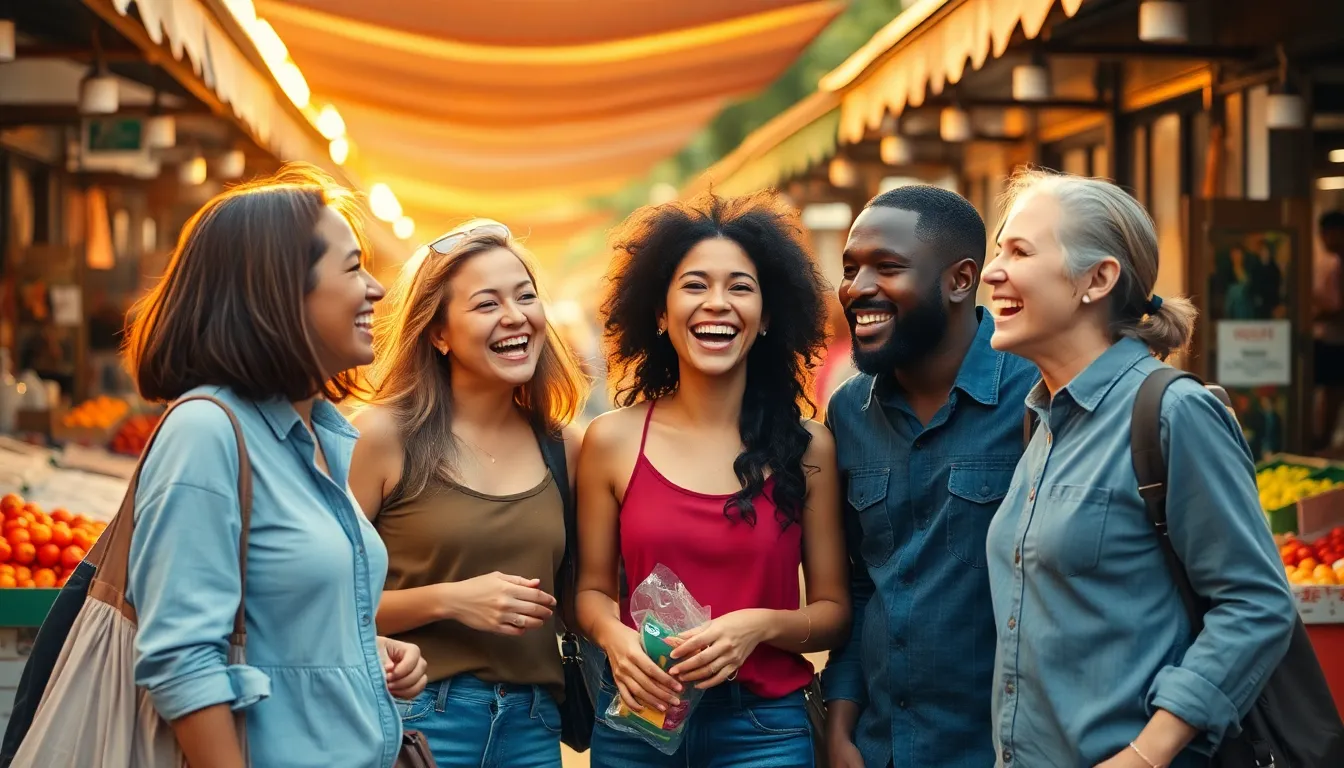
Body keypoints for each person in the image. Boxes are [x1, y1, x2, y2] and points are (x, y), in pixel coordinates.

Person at [981, 169, 1294, 767]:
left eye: (1019, 251)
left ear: (1097, 279)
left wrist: (1147, 754)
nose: (994, 271)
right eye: (998, 250)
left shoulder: (1174, 413)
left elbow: (1257, 605)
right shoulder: (1043, 421)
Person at [122, 163, 427, 768]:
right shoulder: (206, 433)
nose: (377, 289)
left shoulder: (317, 435)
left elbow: (275, 627)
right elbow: (182, 661)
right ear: (281, 292)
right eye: (351, 267)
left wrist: (363, 655)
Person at [576, 191, 850, 767]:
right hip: (638, 720)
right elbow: (592, 592)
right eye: (695, 285)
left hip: (764, 731)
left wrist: (757, 627)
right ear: (659, 311)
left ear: (768, 316)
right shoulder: (611, 441)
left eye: (740, 287)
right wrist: (614, 638)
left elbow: (832, 611)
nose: (717, 304)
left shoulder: (809, 447)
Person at [349, 221, 586, 768]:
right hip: (415, 719)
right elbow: (321, 605)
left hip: (533, 729)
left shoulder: (565, 448)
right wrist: (451, 599)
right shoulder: (381, 438)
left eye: (525, 296)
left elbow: (581, 601)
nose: (515, 315)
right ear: (438, 333)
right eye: (486, 304)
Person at [821, 185, 1039, 768]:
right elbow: (862, 584)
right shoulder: (847, 414)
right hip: (881, 747)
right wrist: (839, 726)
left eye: (887, 268)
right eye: (850, 268)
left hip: (1002, 751)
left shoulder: (1038, 395)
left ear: (961, 280)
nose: (858, 288)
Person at [1314, 211, 1344, 451]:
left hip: (1336, 338)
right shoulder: (1330, 263)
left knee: (1332, 391)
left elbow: (1337, 307)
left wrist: (1314, 316)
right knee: (1329, 391)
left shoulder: (1335, 264)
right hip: (1329, 338)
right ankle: (1324, 440)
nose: (1325, 239)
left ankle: (1324, 441)